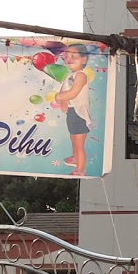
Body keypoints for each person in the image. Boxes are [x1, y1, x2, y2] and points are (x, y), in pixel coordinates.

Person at [51, 45, 96, 176]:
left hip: (79, 113)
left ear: (84, 59)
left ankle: (80, 169)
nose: (68, 59)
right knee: (73, 137)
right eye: (66, 57)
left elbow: (73, 93)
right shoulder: (69, 76)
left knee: (79, 143)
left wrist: (59, 97)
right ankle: (75, 158)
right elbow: (63, 91)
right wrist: (62, 100)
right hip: (72, 112)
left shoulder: (81, 75)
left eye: (73, 56)